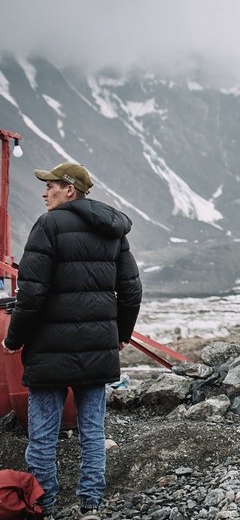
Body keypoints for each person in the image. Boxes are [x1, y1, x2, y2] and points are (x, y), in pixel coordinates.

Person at [2, 162, 142, 519]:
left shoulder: (48, 226)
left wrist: (13, 339)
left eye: (49, 185)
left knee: (43, 437)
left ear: (69, 189)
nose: (44, 192)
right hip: (97, 351)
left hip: (50, 352)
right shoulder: (114, 231)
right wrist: (121, 334)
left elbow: (31, 294)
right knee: (92, 432)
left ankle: (43, 507)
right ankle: (91, 506)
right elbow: (131, 290)